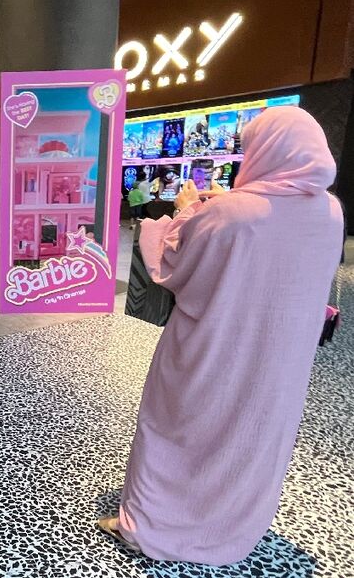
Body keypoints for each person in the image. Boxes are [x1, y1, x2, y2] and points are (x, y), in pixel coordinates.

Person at [98, 107, 344, 565]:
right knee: (250, 438)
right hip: (280, 362)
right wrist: (224, 203)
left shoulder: (231, 213)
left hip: (212, 350)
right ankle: (231, 527)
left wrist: (189, 208)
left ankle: (149, 527)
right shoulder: (331, 213)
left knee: (175, 428)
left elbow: (172, 266)